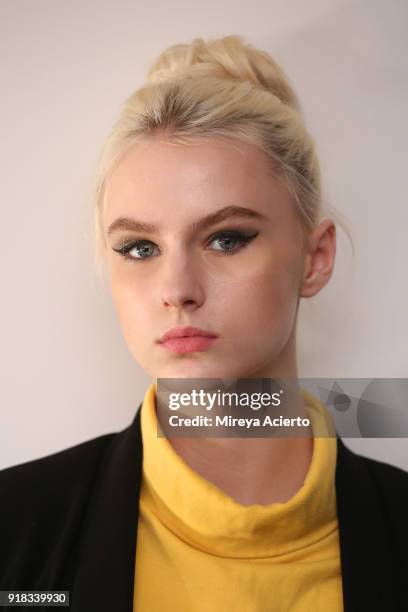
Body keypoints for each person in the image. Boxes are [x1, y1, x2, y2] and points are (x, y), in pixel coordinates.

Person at [0, 34, 407, 612]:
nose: (177, 291)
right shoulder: (14, 534)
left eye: (226, 238)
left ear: (315, 259)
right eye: (139, 248)